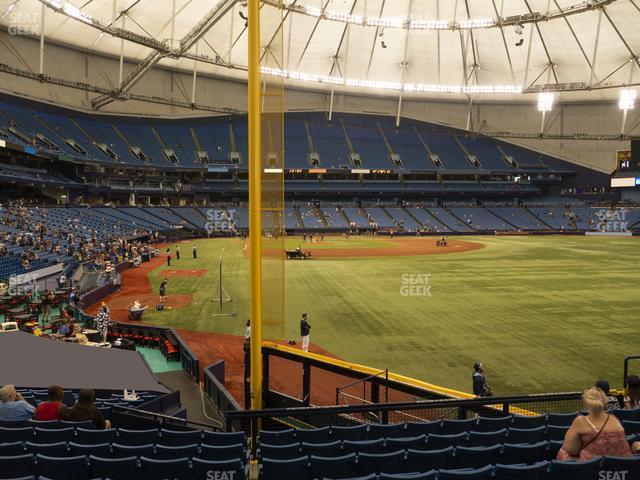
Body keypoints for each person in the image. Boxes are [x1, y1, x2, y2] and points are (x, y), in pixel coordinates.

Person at [557, 387, 634, 460]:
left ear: (586, 403)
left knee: (563, 452)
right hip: (622, 467)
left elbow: (571, 450)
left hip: (592, 468)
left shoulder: (580, 421)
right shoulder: (614, 418)